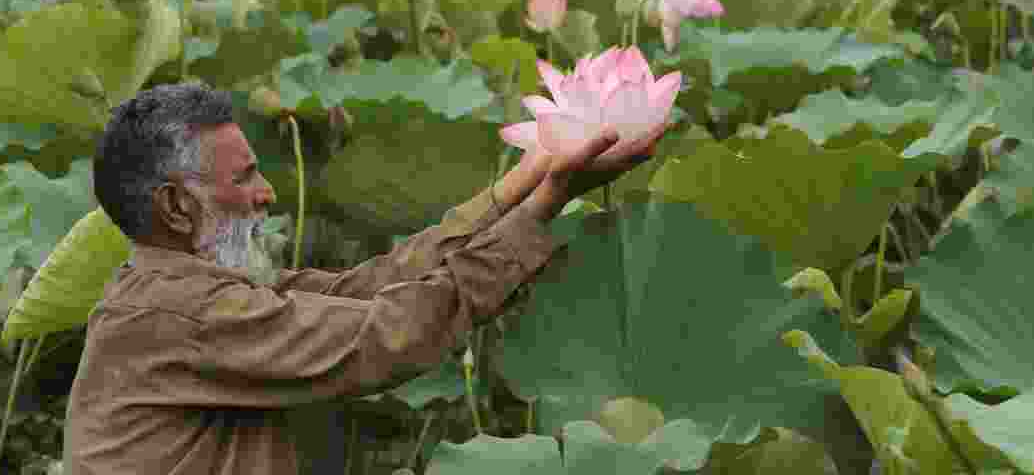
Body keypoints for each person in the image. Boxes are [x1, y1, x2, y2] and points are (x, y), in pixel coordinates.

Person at [63, 82, 666, 474]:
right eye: (244, 177)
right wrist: (543, 207)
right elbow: (385, 334)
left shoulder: (190, 291)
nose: (266, 193)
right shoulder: (183, 316)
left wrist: (524, 186)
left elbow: (368, 289)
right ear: (175, 206)